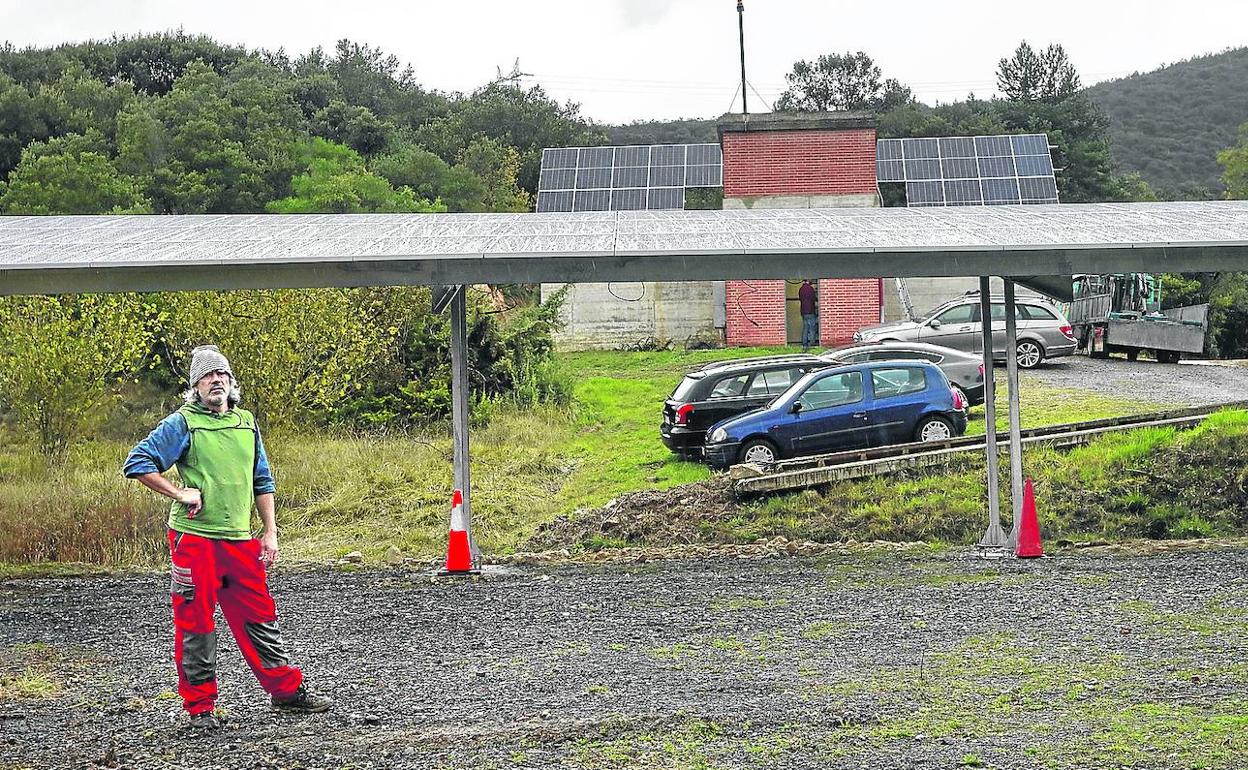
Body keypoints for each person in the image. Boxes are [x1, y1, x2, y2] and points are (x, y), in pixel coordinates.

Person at [124, 345, 330, 729]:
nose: (215, 380)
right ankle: (200, 707)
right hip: (194, 540)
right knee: (196, 621)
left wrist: (269, 531)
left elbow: (261, 479)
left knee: (259, 615)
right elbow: (137, 463)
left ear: (232, 383)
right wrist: (179, 492)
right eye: (207, 376)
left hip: (240, 539)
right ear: (196, 387)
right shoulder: (183, 423)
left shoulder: (246, 423)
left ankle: (286, 691)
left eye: (222, 375)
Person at [798, 279, 819, 351]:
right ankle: (812, 344)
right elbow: (813, 298)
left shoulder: (801, 289)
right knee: (812, 328)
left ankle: (804, 344)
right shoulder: (810, 289)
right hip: (810, 311)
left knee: (805, 328)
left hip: (803, 311)